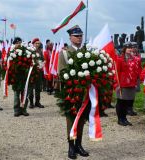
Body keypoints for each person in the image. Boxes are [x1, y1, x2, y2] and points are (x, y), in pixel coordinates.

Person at [58, 25, 89, 159]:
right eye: (76, 36)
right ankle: (71, 146)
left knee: (82, 118)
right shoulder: (64, 52)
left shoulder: (87, 52)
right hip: (71, 91)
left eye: (81, 36)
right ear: (70, 37)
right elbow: (61, 72)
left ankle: (79, 145)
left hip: (84, 91)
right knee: (71, 118)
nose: (79, 38)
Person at [115, 42, 139, 126]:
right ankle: (120, 119)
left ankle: (124, 118)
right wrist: (117, 84)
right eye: (128, 48)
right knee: (121, 102)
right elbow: (116, 72)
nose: (130, 49)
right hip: (122, 84)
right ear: (124, 49)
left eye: (131, 48)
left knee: (127, 103)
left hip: (131, 83)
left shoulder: (134, 59)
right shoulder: (119, 59)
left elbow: (136, 70)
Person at [9, 37, 29, 117]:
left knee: (24, 94)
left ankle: (23, 109)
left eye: (20, 43)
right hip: (15, 77)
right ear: (14, 44)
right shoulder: (11, 52)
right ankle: (16, 110)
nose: (18, 44)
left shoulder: (25, 52)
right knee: (16, 94)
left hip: (24, 76)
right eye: (17, 43)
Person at [28, 38, 44, 109]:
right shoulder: (29, 50)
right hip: (31, 72)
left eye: (38, 43)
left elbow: (43, 59)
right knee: (31, 87)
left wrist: (42, 63)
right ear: (33, 44)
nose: (37, 44)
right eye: (36, 43)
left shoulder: (40, 51)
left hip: (39, 71)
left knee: (38, 87)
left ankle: (37, 102)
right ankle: (31, 102)